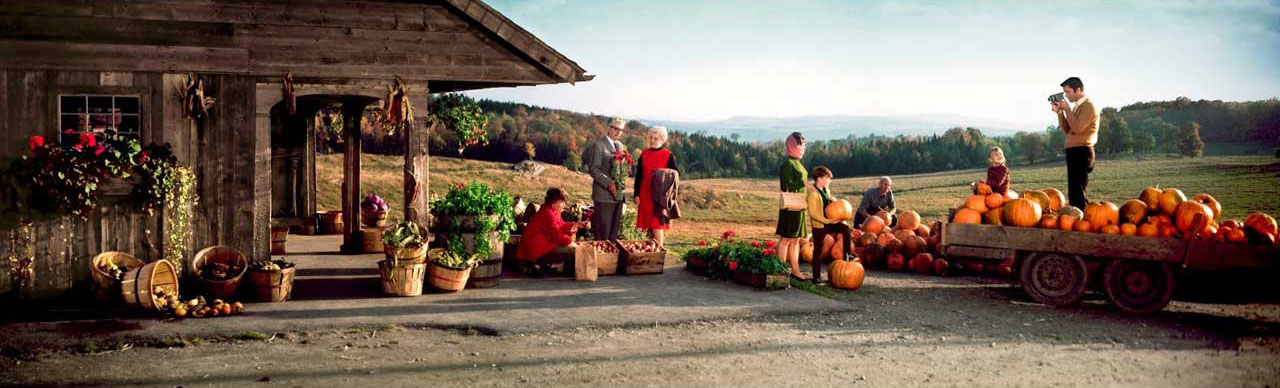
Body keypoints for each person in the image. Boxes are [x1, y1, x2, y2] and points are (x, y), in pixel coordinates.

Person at [516, 188, 587, 276]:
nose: (564, 205)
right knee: (571, 251)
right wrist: (574, 245)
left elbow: (561, 225)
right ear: (554, 202)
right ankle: (538, 263)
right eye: (562, 202)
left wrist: (576, 225)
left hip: (542, 243)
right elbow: (556, 233)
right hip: (536, 247)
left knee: (570, 249)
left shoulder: (552, 210)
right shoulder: (547, 213)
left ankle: (548, 265)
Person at [1052, 76, 1099, 209]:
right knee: (1075, 189)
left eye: (1068, 92)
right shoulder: (1077, 107)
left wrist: (1067, 109)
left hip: (1082, 150)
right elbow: (1067, 129)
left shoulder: (1089, 106)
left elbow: (1078, 128)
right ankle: (1079, 216)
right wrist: (1060, 113)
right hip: (1075, 150)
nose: (1066, 96)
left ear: (1078, 90)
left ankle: (1080, 219)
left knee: (1077, 190)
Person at [633, 126, 680, 248]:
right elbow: (638, 176)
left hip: (659, 197)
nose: (652, 140)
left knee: (657, 225)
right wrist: (636, 194)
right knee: (648, 225)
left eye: (656, 138)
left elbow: (675, 175)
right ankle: (651, 254)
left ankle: (659, 253)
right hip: (645, 194)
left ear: (662, 140)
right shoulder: (644, 154)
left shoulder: (668, 155)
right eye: (651, 138)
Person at [807, 166, 853, 284]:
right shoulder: (813, 194)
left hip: (830, 222)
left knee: (846, 229)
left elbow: (831, 208)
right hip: (819, 225)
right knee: (818, 250)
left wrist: (833, 200)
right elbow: (813, 214)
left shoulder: (826, 190)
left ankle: (847, 256)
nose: (829, 181)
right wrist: (828, 222)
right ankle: (816, 277)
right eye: (828, 178)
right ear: (819, 179)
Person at [587, 117, 628, 242]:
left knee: (613, 233)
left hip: (618, 196)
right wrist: (609, 183)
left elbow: (621, 169)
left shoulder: (620, 146)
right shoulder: (599, 145)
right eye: (615, 128)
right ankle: (600, 259)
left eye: (621, 130)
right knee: (603, 233)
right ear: (609, 128)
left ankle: (611, 259)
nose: (618, 132)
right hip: (603, 195)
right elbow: (594, 169)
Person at [776, 132, 809, 281]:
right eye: (801, 145)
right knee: (786, 239)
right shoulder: (788, 164)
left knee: (795, 240)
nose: (803, 147)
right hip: (790, 207)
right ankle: (780, 270)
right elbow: (786, 185)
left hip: (799, 206)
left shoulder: (798, 163)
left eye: (804, 144)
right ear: (792, 146)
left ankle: (795, 271)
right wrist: (803, 184)